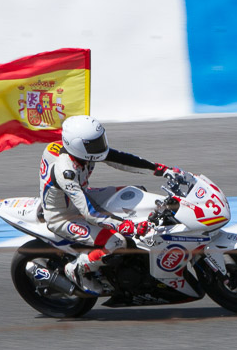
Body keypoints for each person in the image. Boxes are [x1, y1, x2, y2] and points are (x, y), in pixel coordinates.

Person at [40, 115, 179, 295]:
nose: (100, 145)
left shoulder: (81, 150)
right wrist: (125, 226)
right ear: (76, 145)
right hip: (64, 216)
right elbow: (90, 213)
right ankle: (77, 269)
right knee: (117, 241)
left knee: (135, 193)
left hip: (82, 196)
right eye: (94, 143)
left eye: (100, 140)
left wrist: (161, 170)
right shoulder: (65, 171)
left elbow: (120, 159)